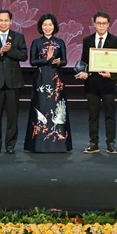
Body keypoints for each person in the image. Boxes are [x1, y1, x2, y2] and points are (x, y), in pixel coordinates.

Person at [0, 9, 28, 154]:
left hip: (13, 81)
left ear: (11, 22)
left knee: (12, 116)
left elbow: (24, 55)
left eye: (6, 20)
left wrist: (10, 50)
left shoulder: (18, 36)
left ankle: (10, 145)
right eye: (0, 20)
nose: (3, 23)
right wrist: (0, 52)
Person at [76, 11, 117, 154]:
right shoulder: (87, 40)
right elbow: (84, 61)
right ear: (94, 24)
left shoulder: (116, 41)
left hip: (108, 84)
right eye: (98, 23)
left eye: (104, 23)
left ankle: (111, 143)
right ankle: (93, 143)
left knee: (110, 115)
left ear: (108, 25)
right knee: (93, 116)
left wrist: (112, 74)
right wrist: (83, 72)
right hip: (92, 83)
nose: (101, 26)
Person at [25, 13, 71, 152]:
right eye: (45, 25)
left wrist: (58, 61)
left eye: (50, 24)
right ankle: (38, 144)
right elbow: (32, 61)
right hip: (41, 79)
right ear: (41, 26)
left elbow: (65, 61)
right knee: (41, 106)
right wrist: (47, 59)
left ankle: (59, 143)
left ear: (54, 26)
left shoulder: (60, 42)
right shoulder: (36, 42)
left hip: (56, 79)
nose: (47, 27)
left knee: (57, 109)